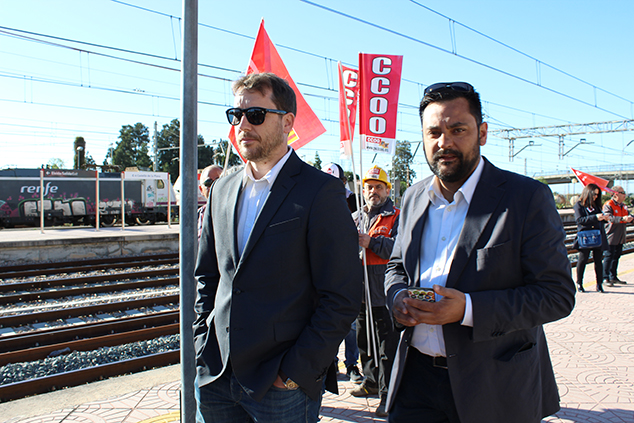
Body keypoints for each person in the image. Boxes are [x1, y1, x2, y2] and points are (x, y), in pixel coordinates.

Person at [384, 82, 576, 423]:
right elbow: (397, 266)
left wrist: (468, 309)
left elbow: (556, 295)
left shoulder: (525, 198)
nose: (444, 143)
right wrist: (397, 296)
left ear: (482, 133)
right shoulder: (413, 197)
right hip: (415, 382)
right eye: (434, 133)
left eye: (458, 130)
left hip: (494, 386)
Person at [194, 72, 362, 423]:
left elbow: (342, 296)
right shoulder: (222, 189)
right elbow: (208, 276)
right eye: (236, 115)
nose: (242, 125)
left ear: (287, 122)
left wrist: (295, 373)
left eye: (255, 115)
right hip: (216, 377)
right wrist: (201, 344)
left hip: (280, 387)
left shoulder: (320, 192)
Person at [350, 165, 400, 418]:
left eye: (379, 187)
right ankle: (370, 381)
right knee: (364, 342)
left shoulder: (397, 216)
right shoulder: (355, 217)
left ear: (387, 190)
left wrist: (372, 242)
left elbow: (400, 248)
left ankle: (387, 395)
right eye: (369, 187)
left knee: (386, 348)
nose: (373, 191)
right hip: (360, 293)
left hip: (382, 294)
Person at [321, 162, 363, 384]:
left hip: (349, 268)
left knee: (351, 323)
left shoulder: (355, 202)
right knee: (325, 318)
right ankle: (329, 363)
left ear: (344, 182)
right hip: (325, 270)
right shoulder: (317, 198)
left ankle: (352, 364)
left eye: (334, 181)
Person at [573, 183, 609, 292]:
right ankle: (579, 283)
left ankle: (599, 284)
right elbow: (580, 220)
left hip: (597, 236)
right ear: (588, 193)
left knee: (598, 261)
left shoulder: (596, 206)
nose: (595, 197)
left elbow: (598, 219)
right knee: (583, 260)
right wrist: (595, 217)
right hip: (585, 237)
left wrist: (604, 218)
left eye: (597, 195)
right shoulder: (579, 205)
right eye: (594, 194)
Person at [602, 186, 633, 286]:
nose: (625, 195)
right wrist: (622, 219)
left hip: (620, 235)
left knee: (616, 256)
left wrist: (631, 218)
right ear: (616, 194)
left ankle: (613, 276)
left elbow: (628, 216)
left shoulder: (623, 205)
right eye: (622, 192)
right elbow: (609, 218)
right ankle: (605, 277)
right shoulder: (608, 205)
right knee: (609, 256)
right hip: (611, 235)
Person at [197, 165, 223, 239]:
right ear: (201, 189)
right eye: (208, 183)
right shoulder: (197, 216)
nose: (214, 186)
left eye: (219, 181)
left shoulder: (237, 211)